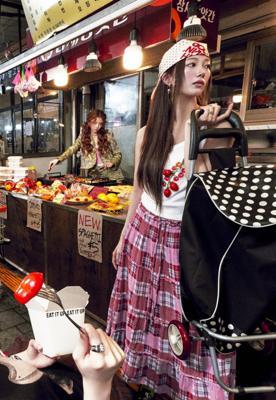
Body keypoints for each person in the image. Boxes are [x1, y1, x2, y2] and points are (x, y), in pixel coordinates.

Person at [106, 40, 236, 400]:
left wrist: (213, 132)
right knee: (145, 312)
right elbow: (138, 190)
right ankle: (149, 382)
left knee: (184, 320)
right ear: (168, 77)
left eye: (205, 65)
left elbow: (219, 187)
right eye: (191, 65)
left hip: (185, 240)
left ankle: (186, 389)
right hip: (143, 233)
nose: (201, 72)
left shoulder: (211, 128)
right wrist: (123, 237)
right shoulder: (147, 134)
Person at [48, 110, 124, 181]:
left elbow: (118, 154)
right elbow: (73, 148)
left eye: (100, 124)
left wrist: (112, 163)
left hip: (111, 175)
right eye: (94, 123)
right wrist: (59, 159)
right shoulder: (84, 135)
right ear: (89, 122)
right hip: (93, 175)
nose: (97, 126)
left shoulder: (108, 135)